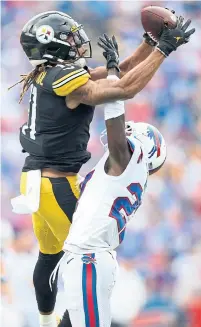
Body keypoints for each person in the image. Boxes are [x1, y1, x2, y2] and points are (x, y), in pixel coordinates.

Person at [10, 10, 194, 327]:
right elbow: (122, 84)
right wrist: (152, 45)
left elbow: (118, 88)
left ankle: (46, 320)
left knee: (54, 258)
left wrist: (158, 49)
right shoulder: (127, 163)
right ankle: (48, 321)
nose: (78, 40)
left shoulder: (49, 75)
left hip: (42, 180)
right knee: (65, 263)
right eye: (69, 36)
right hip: (57, 188)